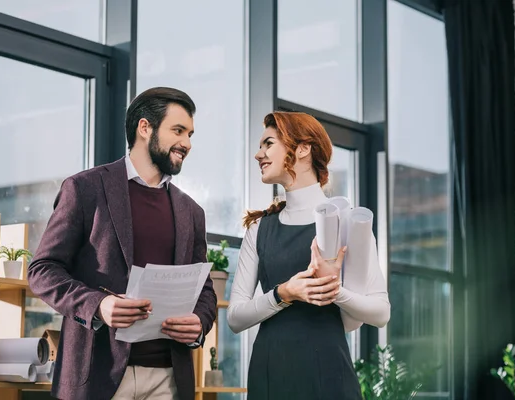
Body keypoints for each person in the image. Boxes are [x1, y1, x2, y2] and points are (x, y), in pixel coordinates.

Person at [27, 87, 217, 400]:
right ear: (145, 128)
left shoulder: (191, 211)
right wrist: (98, 306)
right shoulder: (85, 188)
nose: (187, 143)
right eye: (178, 130)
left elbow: (205, 289)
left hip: (169, 378)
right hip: (97, 376)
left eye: (190, 134)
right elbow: (42, 270)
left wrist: (199, 323)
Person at [227, 111, 390, 400]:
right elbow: (235, 318)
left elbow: (381, 312)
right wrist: (284, 293)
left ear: (302, 149)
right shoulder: (259, 229)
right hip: (270, 374)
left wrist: (334, 292)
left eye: (268, 143)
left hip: (330, 375)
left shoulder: (351, 223)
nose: (258, 154)